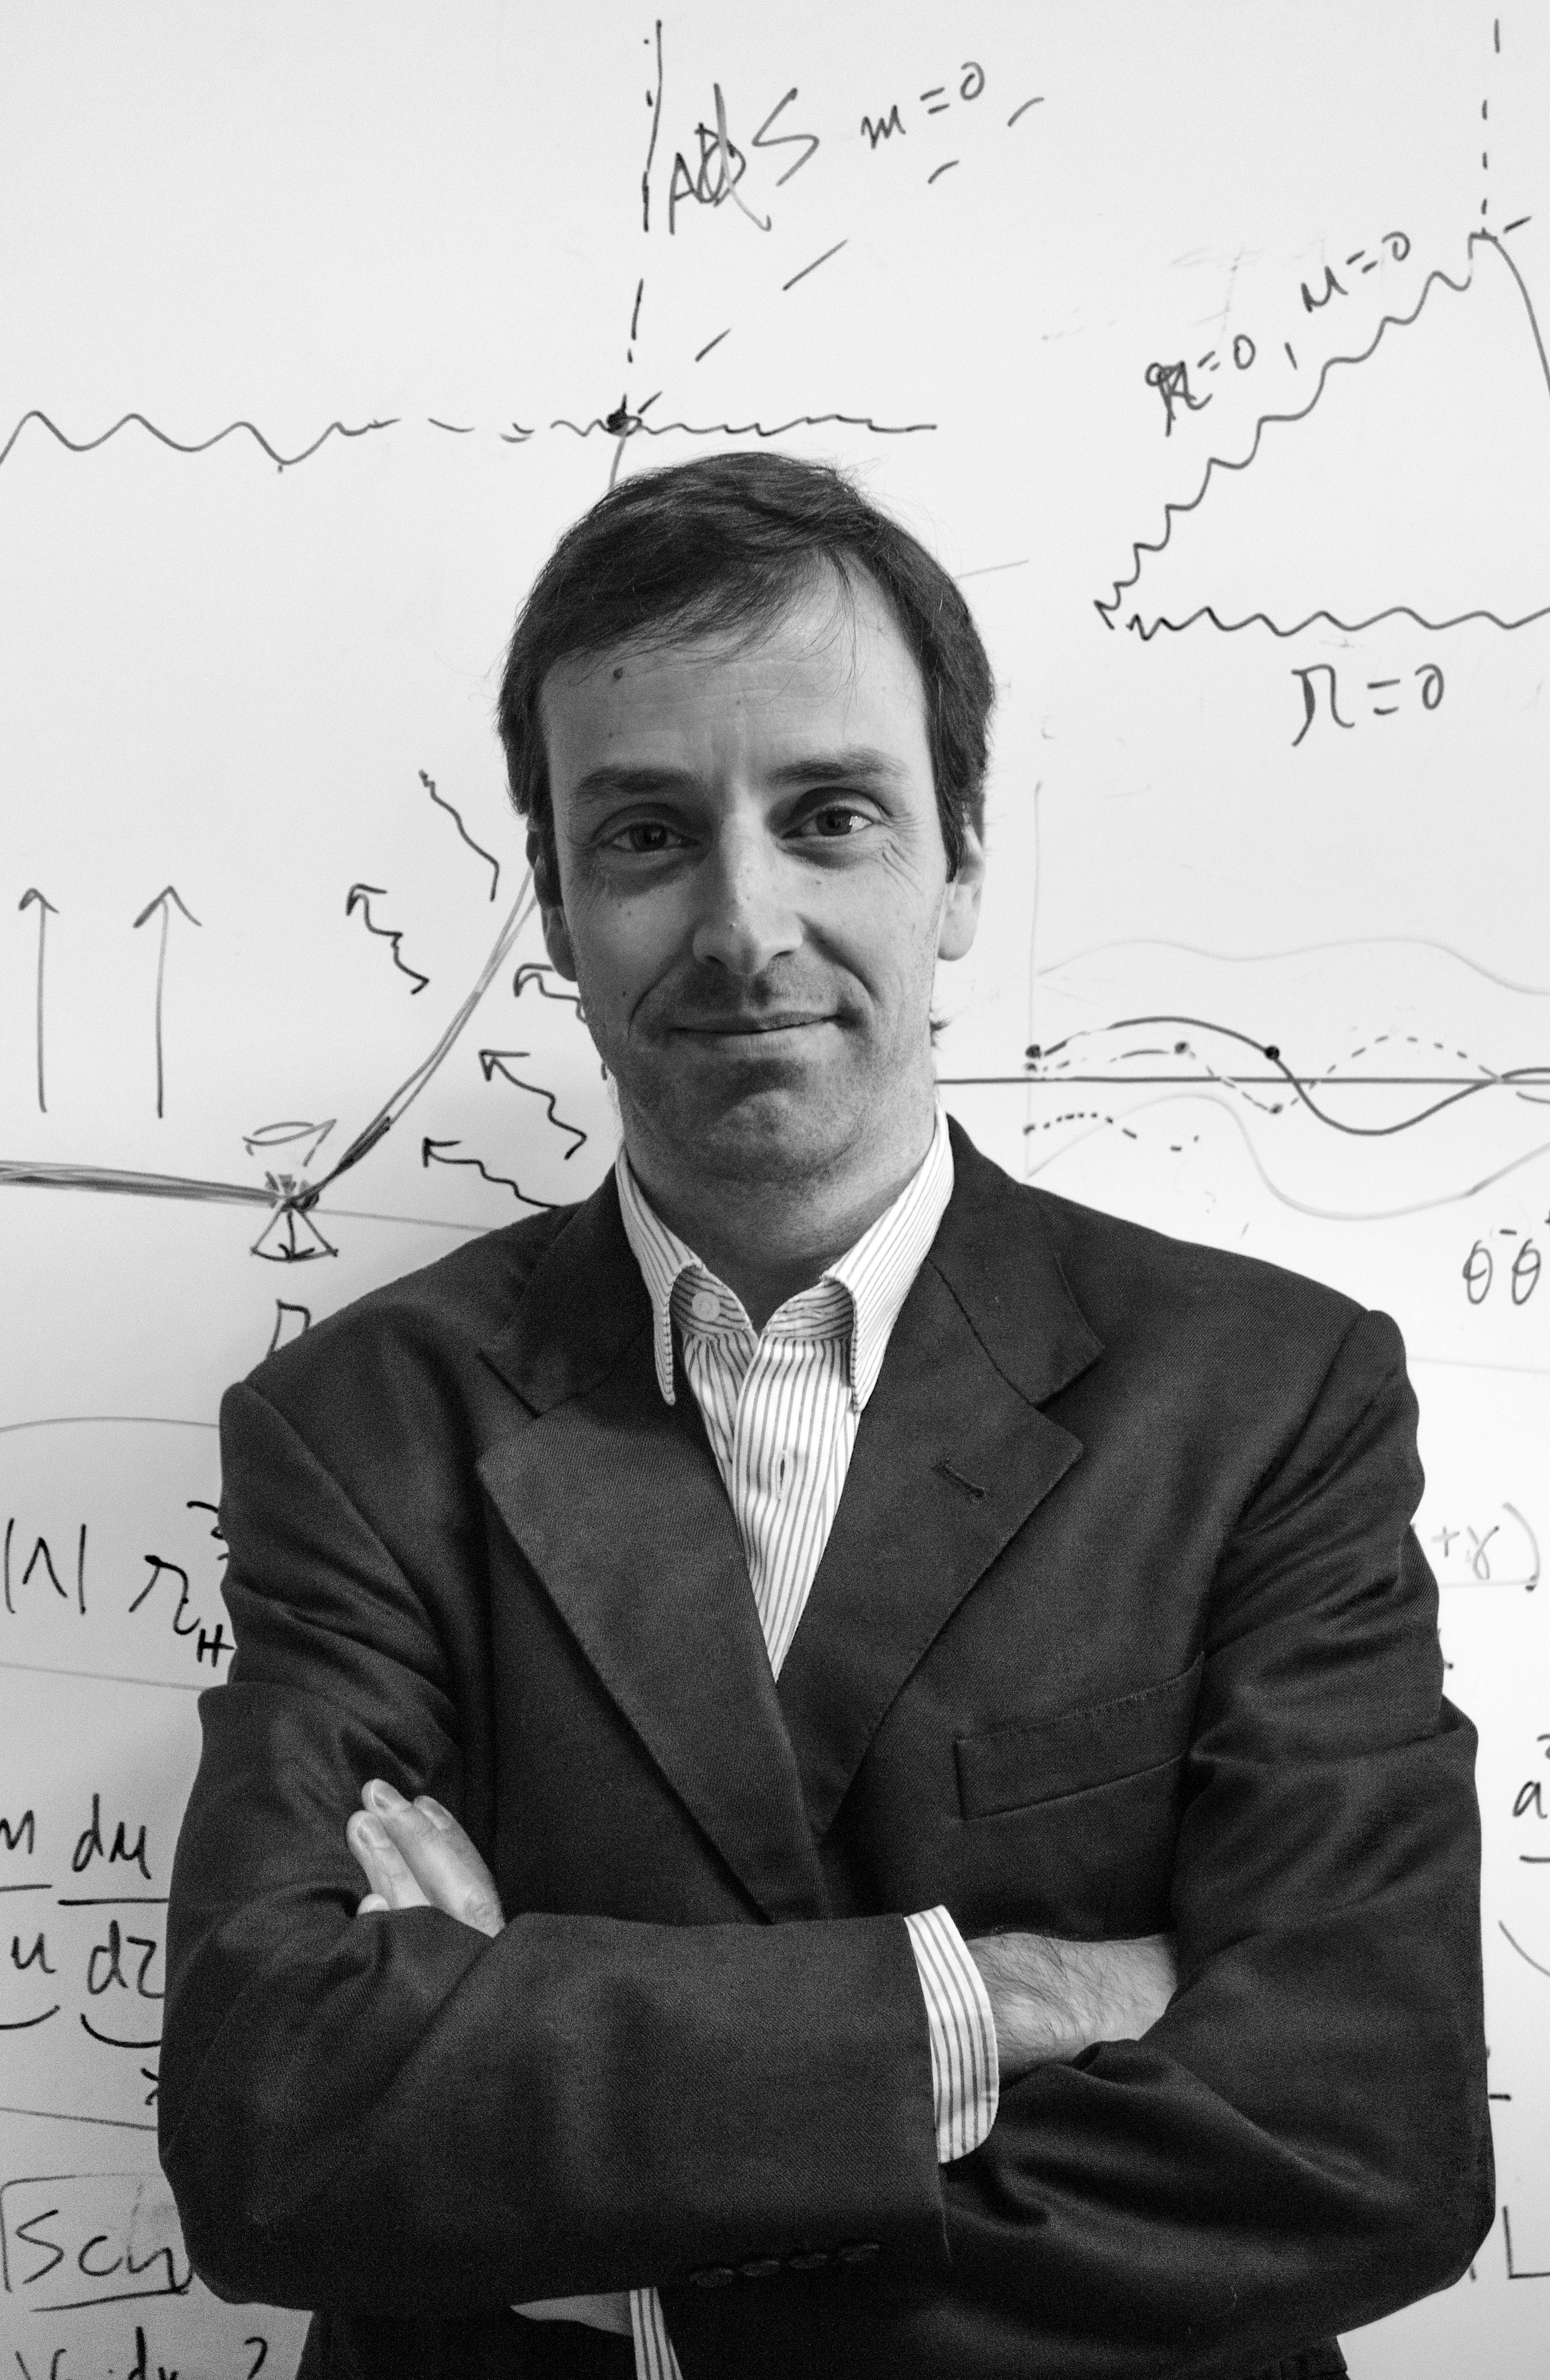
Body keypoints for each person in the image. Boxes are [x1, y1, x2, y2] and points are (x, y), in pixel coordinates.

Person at [161, 453, 1492, 2380]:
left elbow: (1362, 2138)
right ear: (557, 907)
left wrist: (626, 2262)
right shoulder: (355, 1431)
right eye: (645, 835)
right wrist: (983, 2000)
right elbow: (272, 2126)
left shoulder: (1273, 1397)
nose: (745, 920)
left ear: (958, 864)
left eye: (831, 814)